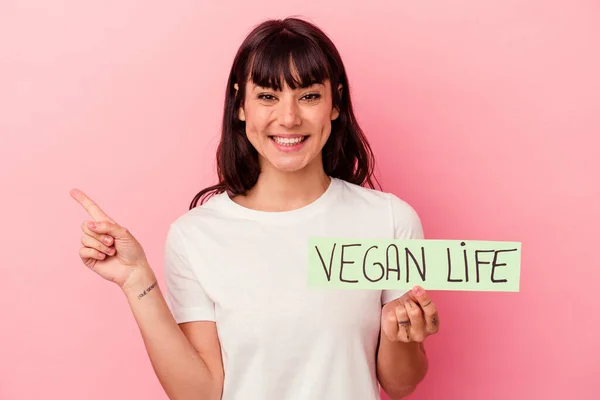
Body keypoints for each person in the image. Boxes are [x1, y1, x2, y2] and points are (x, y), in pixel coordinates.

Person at [71, 16, 440, 400]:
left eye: (309, 95)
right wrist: (136, 282)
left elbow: (401, 384)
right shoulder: (195, 235)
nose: (289, 117)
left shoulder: (390, 220)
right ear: (241, 105)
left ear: (336, 103)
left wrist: (401, 333)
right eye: (267, 96)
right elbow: (199, 394)